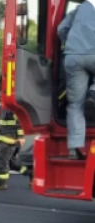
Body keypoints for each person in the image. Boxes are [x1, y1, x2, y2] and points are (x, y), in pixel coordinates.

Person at [58, 0, 95, 160]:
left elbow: (61, 29)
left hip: (73, 56)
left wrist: (72, 44)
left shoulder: (79, 9)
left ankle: (75, 146)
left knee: (75, 104)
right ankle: (93, 94)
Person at [0, 109, 25, 190]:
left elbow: (20, 122)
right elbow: (1, 124)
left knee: (1, 160)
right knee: (12, 163)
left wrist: (21, 137)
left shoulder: (11, 108)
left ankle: (0, 184)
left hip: (9, 140)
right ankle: (31, 173)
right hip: (6, 139)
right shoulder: (4, 109)